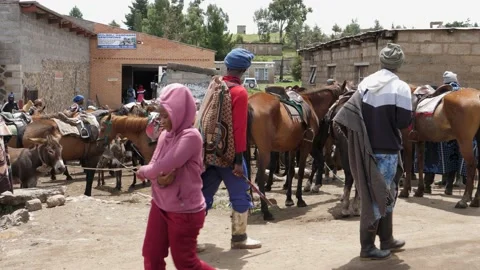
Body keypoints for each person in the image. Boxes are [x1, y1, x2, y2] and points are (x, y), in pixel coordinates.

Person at [334, 43, 410, 260]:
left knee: (383, 193)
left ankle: (387, 238)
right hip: (387, 150)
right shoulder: (400, 87)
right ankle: (367, 246)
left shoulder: (366, 83)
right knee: (380, 196)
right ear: (399, 64)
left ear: (381, 61)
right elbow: (404, 121)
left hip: (366, 148)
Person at [136, 83, 214, 270]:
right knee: (151, 255)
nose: (161, 121)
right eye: (160, 115)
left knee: (185, 263)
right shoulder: (165, 135)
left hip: (184, 210)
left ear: (179, 112)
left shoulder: (191, 136)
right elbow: (157, 166)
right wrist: (157, 177)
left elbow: (163, 165)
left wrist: (145, 172)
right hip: (160, 204)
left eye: (165, 115)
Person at [201, 48, 261, 250]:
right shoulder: (239, 92)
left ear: (227, 66)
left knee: (202, 196)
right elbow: (239, 129)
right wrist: (237, 161)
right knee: (240, 194)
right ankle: (239, 238)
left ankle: (187, 239)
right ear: (244, 70)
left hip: (208, 152)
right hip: (228, 156)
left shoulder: (215, 85)